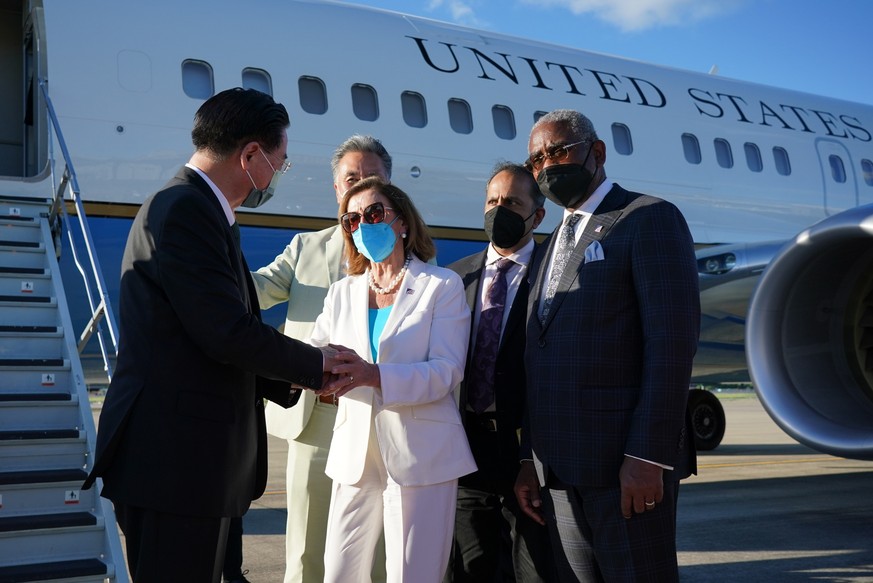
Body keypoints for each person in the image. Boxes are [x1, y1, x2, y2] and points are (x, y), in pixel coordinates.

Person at [81, 88, 347, 582]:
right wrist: (319, 366)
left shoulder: (201, 211)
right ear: (250, 155)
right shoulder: (185, 209)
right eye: (279, 163)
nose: (275, 177)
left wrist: (286, 381)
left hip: (196, 467)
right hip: (175, 467)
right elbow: (226, 332)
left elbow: (202, 336)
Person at [513, 109, 699, 582]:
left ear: (596, 152)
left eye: (558, 151)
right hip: (559, 473)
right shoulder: (554, 239)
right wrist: (531, 460)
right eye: (536, 160)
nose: (546, 167)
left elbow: (670, 347)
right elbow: (542, 355)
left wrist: (649, 456)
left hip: (625, 471)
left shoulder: (649, 218)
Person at [310, 176, 477, 583]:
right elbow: (316, 352)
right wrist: (316, 376)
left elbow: (446, 370)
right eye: (352, 219)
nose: (364, 225)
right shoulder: (341, 293)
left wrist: (374, 375)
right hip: (355, 454)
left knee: (413, 574)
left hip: (421, 455)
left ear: (402, 222)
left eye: (374, 213)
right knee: (338, 572)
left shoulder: (441, 287)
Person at [251, 135, 392, 583]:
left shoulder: (407, 255)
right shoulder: (306, 248)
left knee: (380, 548)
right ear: (337, 190)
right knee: (307, 546)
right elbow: (255, 291)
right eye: (352, 178)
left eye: (373, 178)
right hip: (317, 420)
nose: (362, 186)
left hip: (380, 417)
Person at [444, 162, 554, 583]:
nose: (499, 209)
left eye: (512, 202)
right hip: (467, 451)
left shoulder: (556, 275)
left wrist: (532, 455)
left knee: (535, 571)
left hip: (530, 452)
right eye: (492, 201)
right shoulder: (454, 277)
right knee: (473, 569)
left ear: (537, 215)